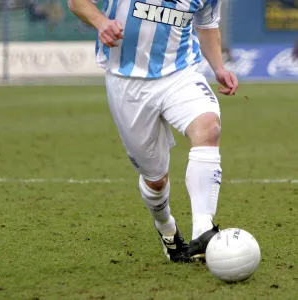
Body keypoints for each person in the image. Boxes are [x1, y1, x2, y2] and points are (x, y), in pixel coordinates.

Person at [68, 0, 238, 263]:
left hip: (181, 74)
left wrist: (218, 67)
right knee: (156, 180)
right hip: (127, 83)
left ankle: (203, 230)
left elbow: (206, 24)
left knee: (209, 127)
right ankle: (166, 227)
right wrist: (101, 22)